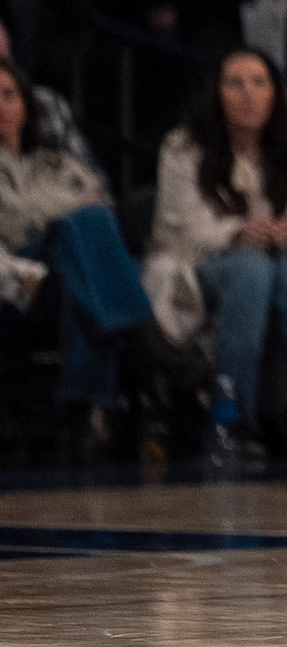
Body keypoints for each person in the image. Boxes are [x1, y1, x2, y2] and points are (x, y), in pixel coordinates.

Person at [144, 49, 287, 463]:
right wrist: (238, 231)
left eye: (259, 82)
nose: (249, 94)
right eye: (235, 83)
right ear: (216, 94)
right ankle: (231, 414)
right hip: (192, 265)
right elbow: (181, 229)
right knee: (251, 268)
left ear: (275, 94)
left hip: (276, 263)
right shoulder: (182, 147)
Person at [0, 54, 193, 450]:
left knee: (84, 271)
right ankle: (147, 341)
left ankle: (90, 414)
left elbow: (101, 202)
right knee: (81, 230)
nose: (1, 105)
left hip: (67, 274)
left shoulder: (59, 162)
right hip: (19, 279)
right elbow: (23, 218)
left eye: (8, 94)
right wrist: (61, 210)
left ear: (25, 104)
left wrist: (57, 213)